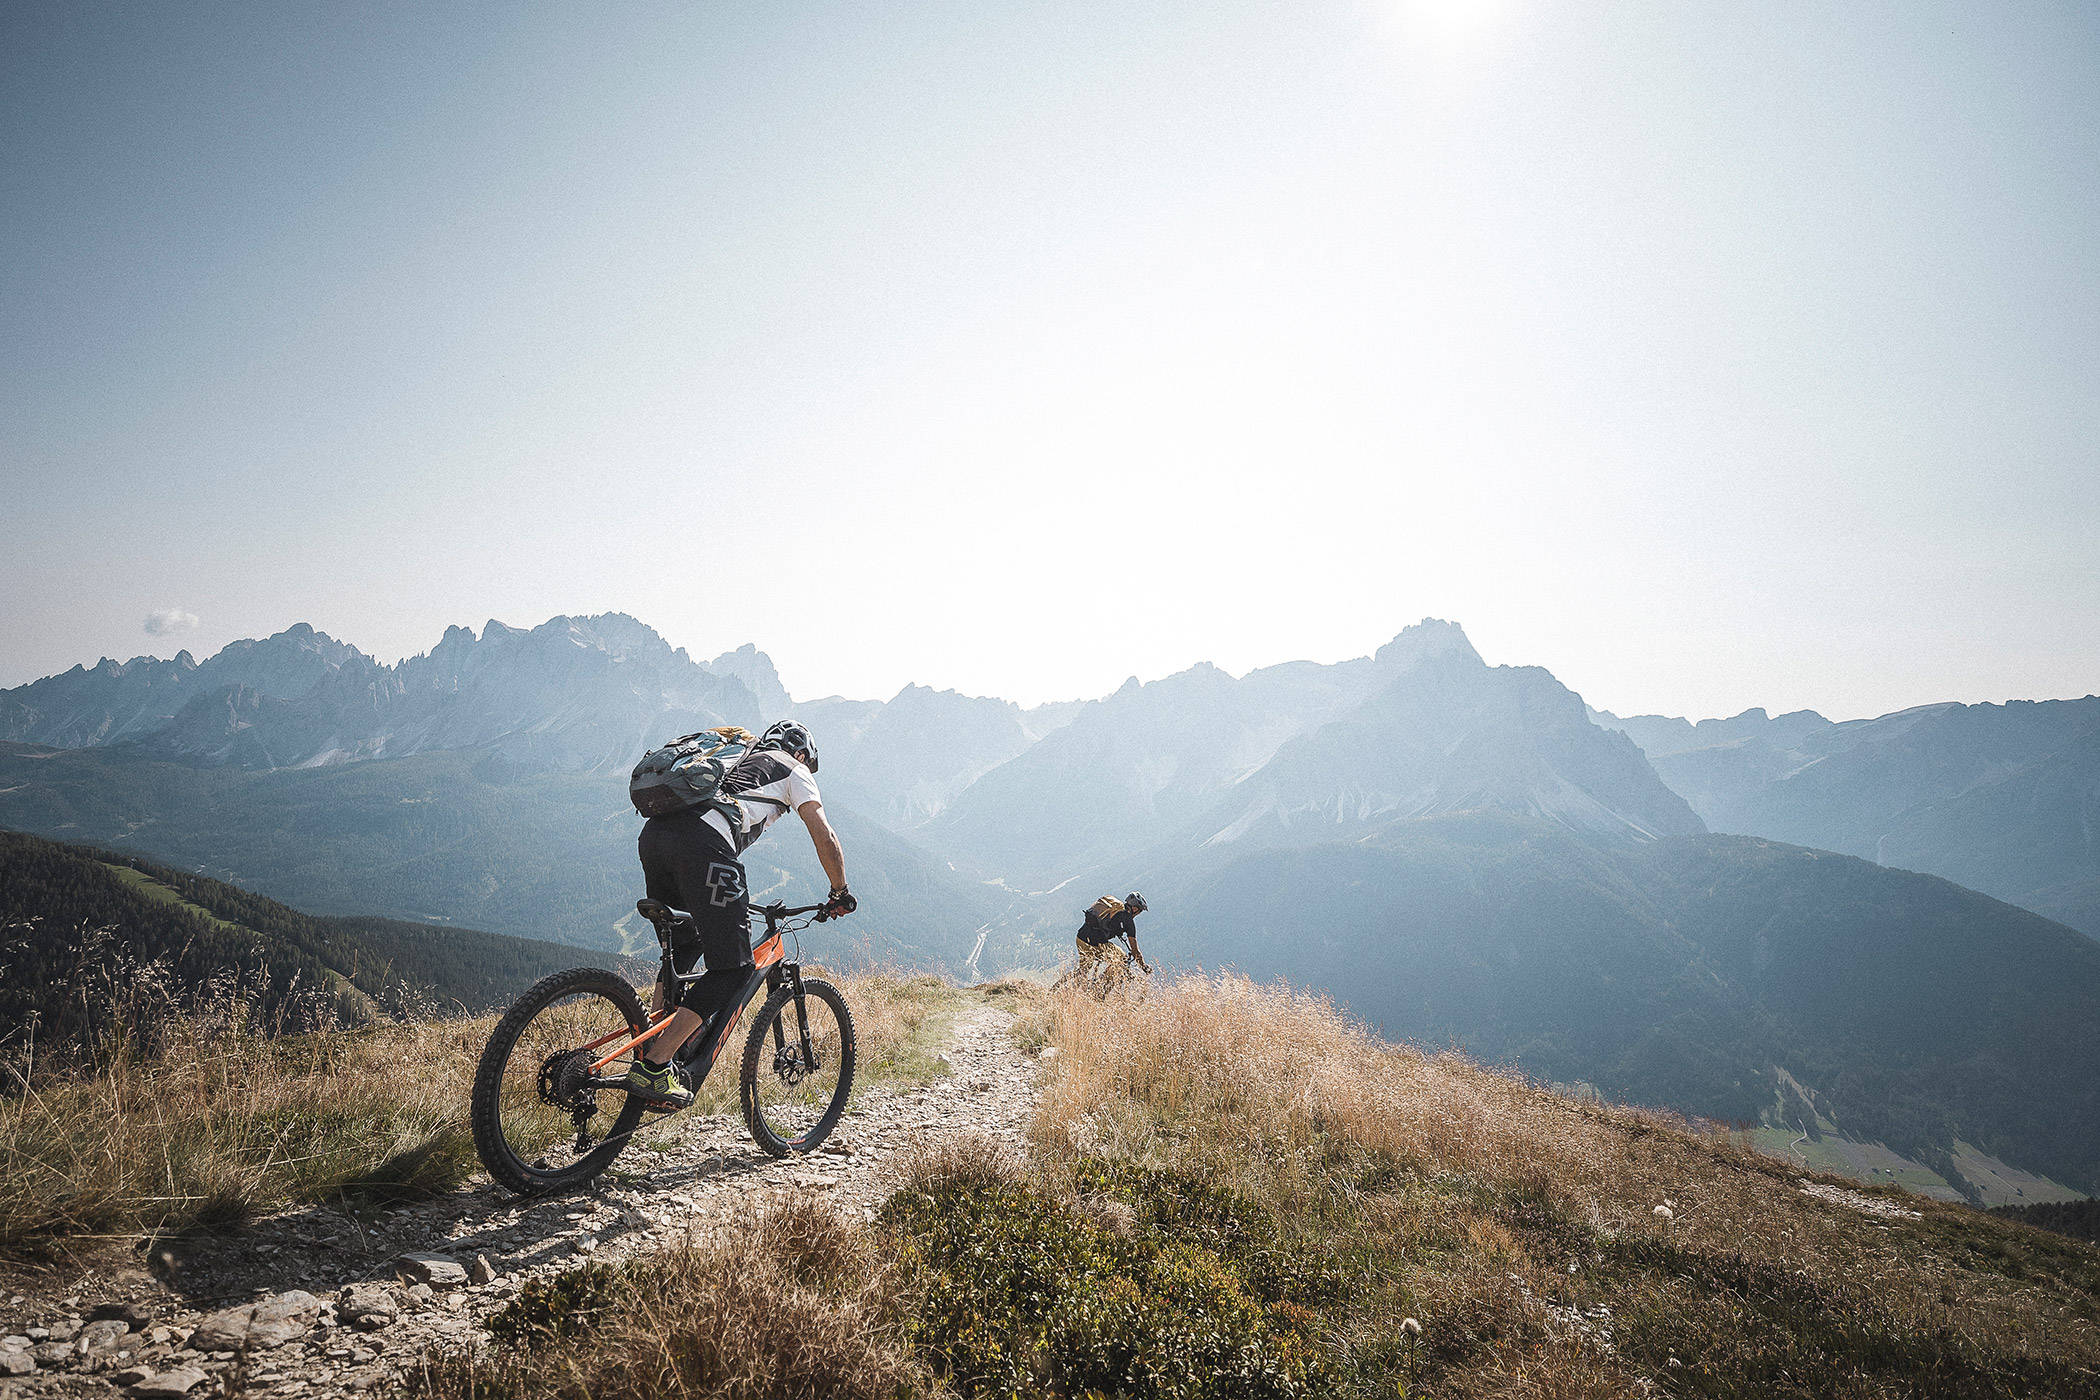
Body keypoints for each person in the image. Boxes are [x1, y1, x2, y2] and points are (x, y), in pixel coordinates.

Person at [626, 720, 855, 1108]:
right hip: (702, 844)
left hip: (654, 838)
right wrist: (840, 891)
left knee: (686, 946)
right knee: (734, 968)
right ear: (802, 754)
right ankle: (655, 1065)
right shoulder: (793, 768)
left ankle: (650, 1041)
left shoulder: (733, 758)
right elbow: (824, 834)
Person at [1074, 892, 1150, 990]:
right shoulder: (1129, 922)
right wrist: (1144, 967)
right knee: (1122, 960)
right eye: (1139, 911)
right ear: (1135, 909)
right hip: (1096, 944)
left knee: (1084, 970)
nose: (1138, 914)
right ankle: (1098, 989)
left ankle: (1065, 988)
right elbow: (1135, 951)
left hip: (1081, 938)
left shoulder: (1114, 908)